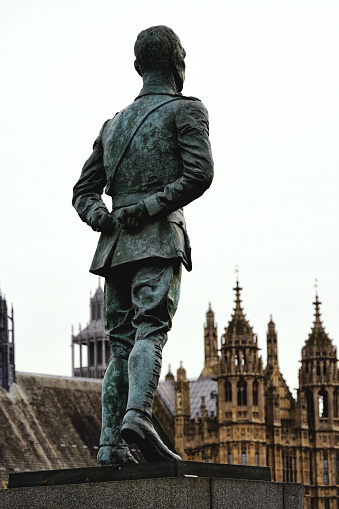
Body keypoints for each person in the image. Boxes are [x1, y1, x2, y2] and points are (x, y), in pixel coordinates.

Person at [73, 25, 214, 466]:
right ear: (178, 62)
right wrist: (152, 206)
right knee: (150, 330)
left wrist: (105, 218)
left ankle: (110, 445)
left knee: (119, 344)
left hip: (114, 248)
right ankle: (138, 414)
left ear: (138, 67)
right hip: (156, 238)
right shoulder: (187, 110)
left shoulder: (113, 125)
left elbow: (83, 190)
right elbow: (199, 174)